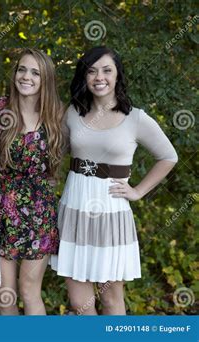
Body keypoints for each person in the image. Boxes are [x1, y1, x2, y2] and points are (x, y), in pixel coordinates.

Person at [50, 46, 178, 315]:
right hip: (74, 209)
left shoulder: (136, 118)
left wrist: (139, 191)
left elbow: (168, 156)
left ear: (118, 75)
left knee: (110, 300)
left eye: (107, 70)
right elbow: (53, 156)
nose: (99, 77)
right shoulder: (71, 112)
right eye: (92, 71)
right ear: (84, 77)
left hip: (111, 213)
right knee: (78, 302)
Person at [0, 48, 64, 315]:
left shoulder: (56, 116)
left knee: (29, 290)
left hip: (39, 215)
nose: (26, 76)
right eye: (22, 69)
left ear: (45, 79)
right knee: (5, 293)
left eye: (35, 72)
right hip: (1, 211)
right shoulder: (0, 109)